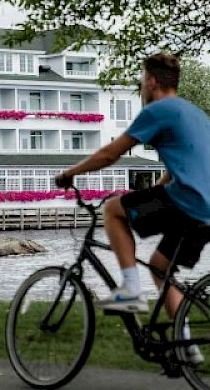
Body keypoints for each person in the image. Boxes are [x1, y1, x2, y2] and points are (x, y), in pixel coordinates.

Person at [55, 53, 210, 320]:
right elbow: (183, 169)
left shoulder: (158, 110)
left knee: (113, 209)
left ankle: (130, 291)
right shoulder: (194, 113)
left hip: (188, 202)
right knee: (161, 268)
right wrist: (147, 193)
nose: (140, 87)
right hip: (205, 211)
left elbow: (109, 154)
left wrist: (70, 173)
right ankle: (185, 351)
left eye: (141, 81)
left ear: (151, 82)